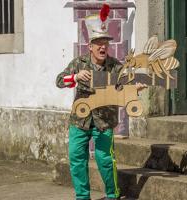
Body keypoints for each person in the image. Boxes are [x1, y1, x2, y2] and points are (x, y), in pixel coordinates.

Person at [56, 7, 145, 200]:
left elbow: (125, 87)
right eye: (98, 43)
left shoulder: (116, 66)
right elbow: (59, 81)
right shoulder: (79, 63)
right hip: (80, 121)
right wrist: (75, 76)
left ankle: (113, 195)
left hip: (104, 121)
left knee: (105, 160)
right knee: (76, 159)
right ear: (90, 46)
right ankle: (82, 197)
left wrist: (134, 89)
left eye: (105, 43)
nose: (103, 47)